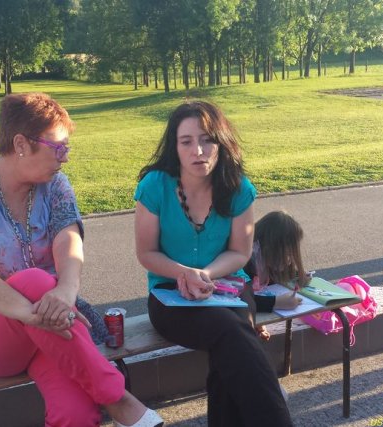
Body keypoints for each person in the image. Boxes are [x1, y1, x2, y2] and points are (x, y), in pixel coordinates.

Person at [0, 93, 162, 427]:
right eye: (58, 148)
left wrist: (65, 292)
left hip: (49, 324)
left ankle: (108, 397)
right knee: (36, 280)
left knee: (76, 413)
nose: (64, 158)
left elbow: (68, 241)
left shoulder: (54, 185)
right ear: (21, 144)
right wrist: (30, 314)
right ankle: (118, 399)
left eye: (67, 148)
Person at [133, 100, 292, 426]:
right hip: (169, 293)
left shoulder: (238, 188)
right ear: (174, 147)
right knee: (233, 334)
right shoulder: (154, 187)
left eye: (207, 140)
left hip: (228, 286)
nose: (198, 151)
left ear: (222, 142)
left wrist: (205, 274)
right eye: (186, 141)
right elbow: (146, 253)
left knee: (230, 350)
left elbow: (239, 252)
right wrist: (185, 274)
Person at [244, 210, 306, 340]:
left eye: (292, 254)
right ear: (271, 247)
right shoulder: (245, 261)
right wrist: (276, 302)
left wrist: (297, 276)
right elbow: (239, 299)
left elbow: (283, 272)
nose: (289, 260)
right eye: (287, 253)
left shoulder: (268, 260)